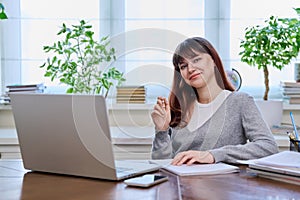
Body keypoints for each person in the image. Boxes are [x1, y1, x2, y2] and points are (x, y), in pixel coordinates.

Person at [151, 37, 278, 165]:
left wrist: (214, 155)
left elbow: (268, 147)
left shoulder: (240, 102)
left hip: (224, 184)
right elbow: (162, 164)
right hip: (182, 184)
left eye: (196, 59)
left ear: (213, 60)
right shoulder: (178, 109)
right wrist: (161, 131)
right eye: (183, 66)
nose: (190, 69)